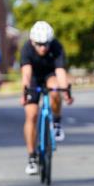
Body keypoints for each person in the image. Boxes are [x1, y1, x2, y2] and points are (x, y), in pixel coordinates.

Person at [20, 21, 73, 175]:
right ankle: (31, 157)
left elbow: (61, 72)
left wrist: (66, 93)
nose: (43, 48)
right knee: (31, 115)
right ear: (32, 42)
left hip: (50, 75)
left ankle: (56, 122)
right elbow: (26, 74)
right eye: (39, 44)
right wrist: (24, 92)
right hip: (34, 78)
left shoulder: (56, 47)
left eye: (46, 44)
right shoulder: (27, 49)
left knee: (55, 88)